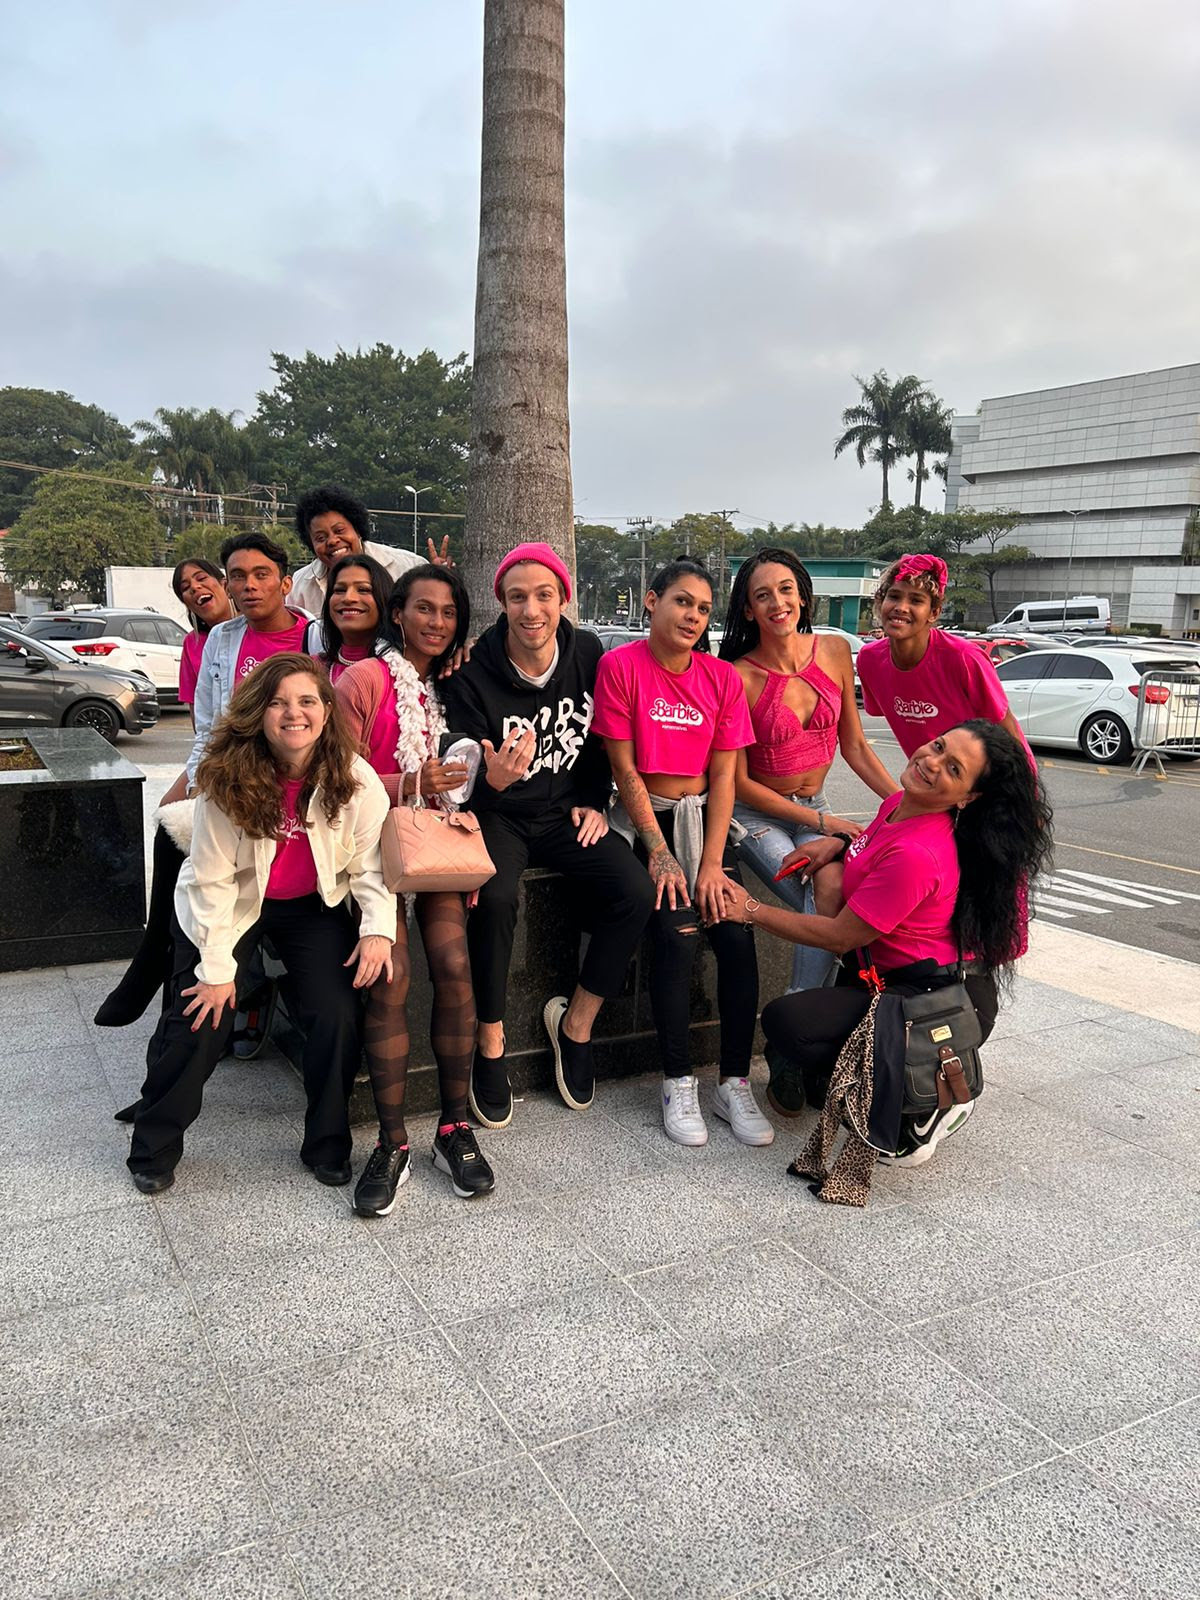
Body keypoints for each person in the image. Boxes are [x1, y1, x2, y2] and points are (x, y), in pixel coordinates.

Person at [720, 719, 1053, 1164]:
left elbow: (840, 935)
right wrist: (837, 845)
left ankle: (934, 1098)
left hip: (931, 1001)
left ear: (968, 797)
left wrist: (750, 910)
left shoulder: (920, 853)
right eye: (938, 747)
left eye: (953, 769)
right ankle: (885, 1081)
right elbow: (873, 850)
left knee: (790, 1025)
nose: (931, 762)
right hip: (883, 979)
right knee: (804, 1030)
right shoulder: (899, 804)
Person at [126, 655, 396, 1194]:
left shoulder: (356, 778)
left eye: (306, 701)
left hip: (311, 903)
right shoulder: (226, 777)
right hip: (228, 902)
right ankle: (153, 1147)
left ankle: (327, 1144)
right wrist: (216, 969)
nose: (294, 713)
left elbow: (369, 866)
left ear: (326, 711)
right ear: (258, 712)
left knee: (337, 1013)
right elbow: (211, 881)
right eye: (277, 702)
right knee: (201, 1013)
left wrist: (376, 929)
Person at [438, 542, 654, 1128]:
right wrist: (493, 783)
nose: (531, 610)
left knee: (635, 890)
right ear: (502, 604)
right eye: (517, 598)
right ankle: (490, 1038)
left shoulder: (587, 652)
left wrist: (596, 799)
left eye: (543, 595)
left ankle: (575, 1024)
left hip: (564, 813)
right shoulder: (472, 671)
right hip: (500, 815)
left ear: (563, 599)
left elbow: (604, 735)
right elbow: (460, 782)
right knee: (495, 898)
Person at [593, 557, 770, 1148]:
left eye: (703, 608)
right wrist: (659, 852)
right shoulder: (621, 667)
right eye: (682, 602)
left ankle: (734, 1082)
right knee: (676, 936)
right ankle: (678, 1081)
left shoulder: (720, 679)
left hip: (704, 822)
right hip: (647, 820)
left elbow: (724, 779)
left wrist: (712, 865)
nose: (693, 616)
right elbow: (623, 769)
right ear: (652, 601)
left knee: (736, 936)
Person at [335, 561, 494, 1211]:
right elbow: (331, 779)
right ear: (396, 613)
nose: (437, 622)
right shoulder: (363, 679)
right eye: (424, 608)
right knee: (391, 980)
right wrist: (408, 783)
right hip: (373, 853)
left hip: (431, 848)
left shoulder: (448, 684)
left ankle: (454, 1129)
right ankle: (393, 1142)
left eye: (449, 612)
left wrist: (453, 792)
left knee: (455, 967)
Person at [719, 548, 900, 992]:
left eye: (786, 590)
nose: (777, 602)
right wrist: (825, 824)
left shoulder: (834, 651)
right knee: (819, 893)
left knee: (833, 885)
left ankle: (806, 1010)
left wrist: (903, 803)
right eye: (763, 595)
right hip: (756, 817)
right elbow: (739, 782)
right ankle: (804, 1007)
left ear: (802, 595)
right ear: (749, 609)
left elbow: (855, 746)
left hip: (815, 805)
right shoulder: (737, 676)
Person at [856, 553, 1030, 760]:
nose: (901, 608)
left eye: (916, 600)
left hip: (984, 775)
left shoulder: (964, 657)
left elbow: (1008, 731)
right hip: (929, 774)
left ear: (934, 613)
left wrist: (1027, 780)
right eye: (894, 596)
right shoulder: (870, 660)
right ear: (881, 601)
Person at [186, 530, 318, 787]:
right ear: (227, 587)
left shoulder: (318, 639)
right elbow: (207, 729)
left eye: (261, 574)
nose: (249, 585)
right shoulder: (219, 639)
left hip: (305, 776)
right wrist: (198, 784)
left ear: (285, 584)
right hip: (237, 775)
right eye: (238, 576)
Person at [289, 486, 434, 617]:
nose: (332, 541)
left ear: (357, 530)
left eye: (339, 530)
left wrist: (440, 577)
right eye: (320, 538)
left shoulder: (408, 567)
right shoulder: (300, 585)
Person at [316, 551, 395, 685]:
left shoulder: (403, 672)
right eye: (340, 590)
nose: (348, 598)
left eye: (363, 590)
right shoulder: (312, 669)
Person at [174, 558, 237, 713]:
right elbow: (195, 705)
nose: (194, 587)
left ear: (225, 585)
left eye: (201, 578)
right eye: (185, 587)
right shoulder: (192, 643)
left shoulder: (255, 626)